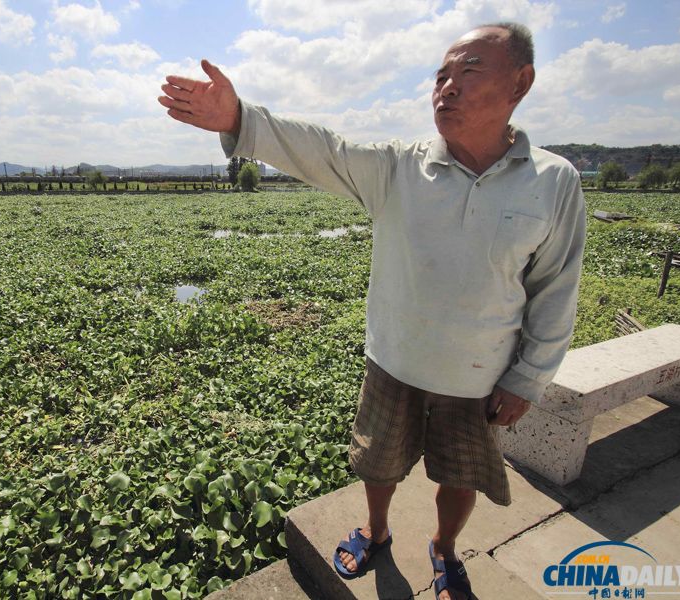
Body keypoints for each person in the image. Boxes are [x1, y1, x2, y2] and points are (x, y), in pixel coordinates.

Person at [158, 22, 585, 600]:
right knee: (377, 463)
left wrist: (528, 378)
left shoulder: (553, 181)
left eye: (468, 71)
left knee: (460, 476)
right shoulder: (398, 167)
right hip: (394, 362)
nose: (447, 87)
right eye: (440, 76)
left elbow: (554, 287)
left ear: (521, 81)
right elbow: (325, 149)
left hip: (480, 377)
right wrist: (241, 119)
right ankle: (377, 531)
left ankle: (444, 549)